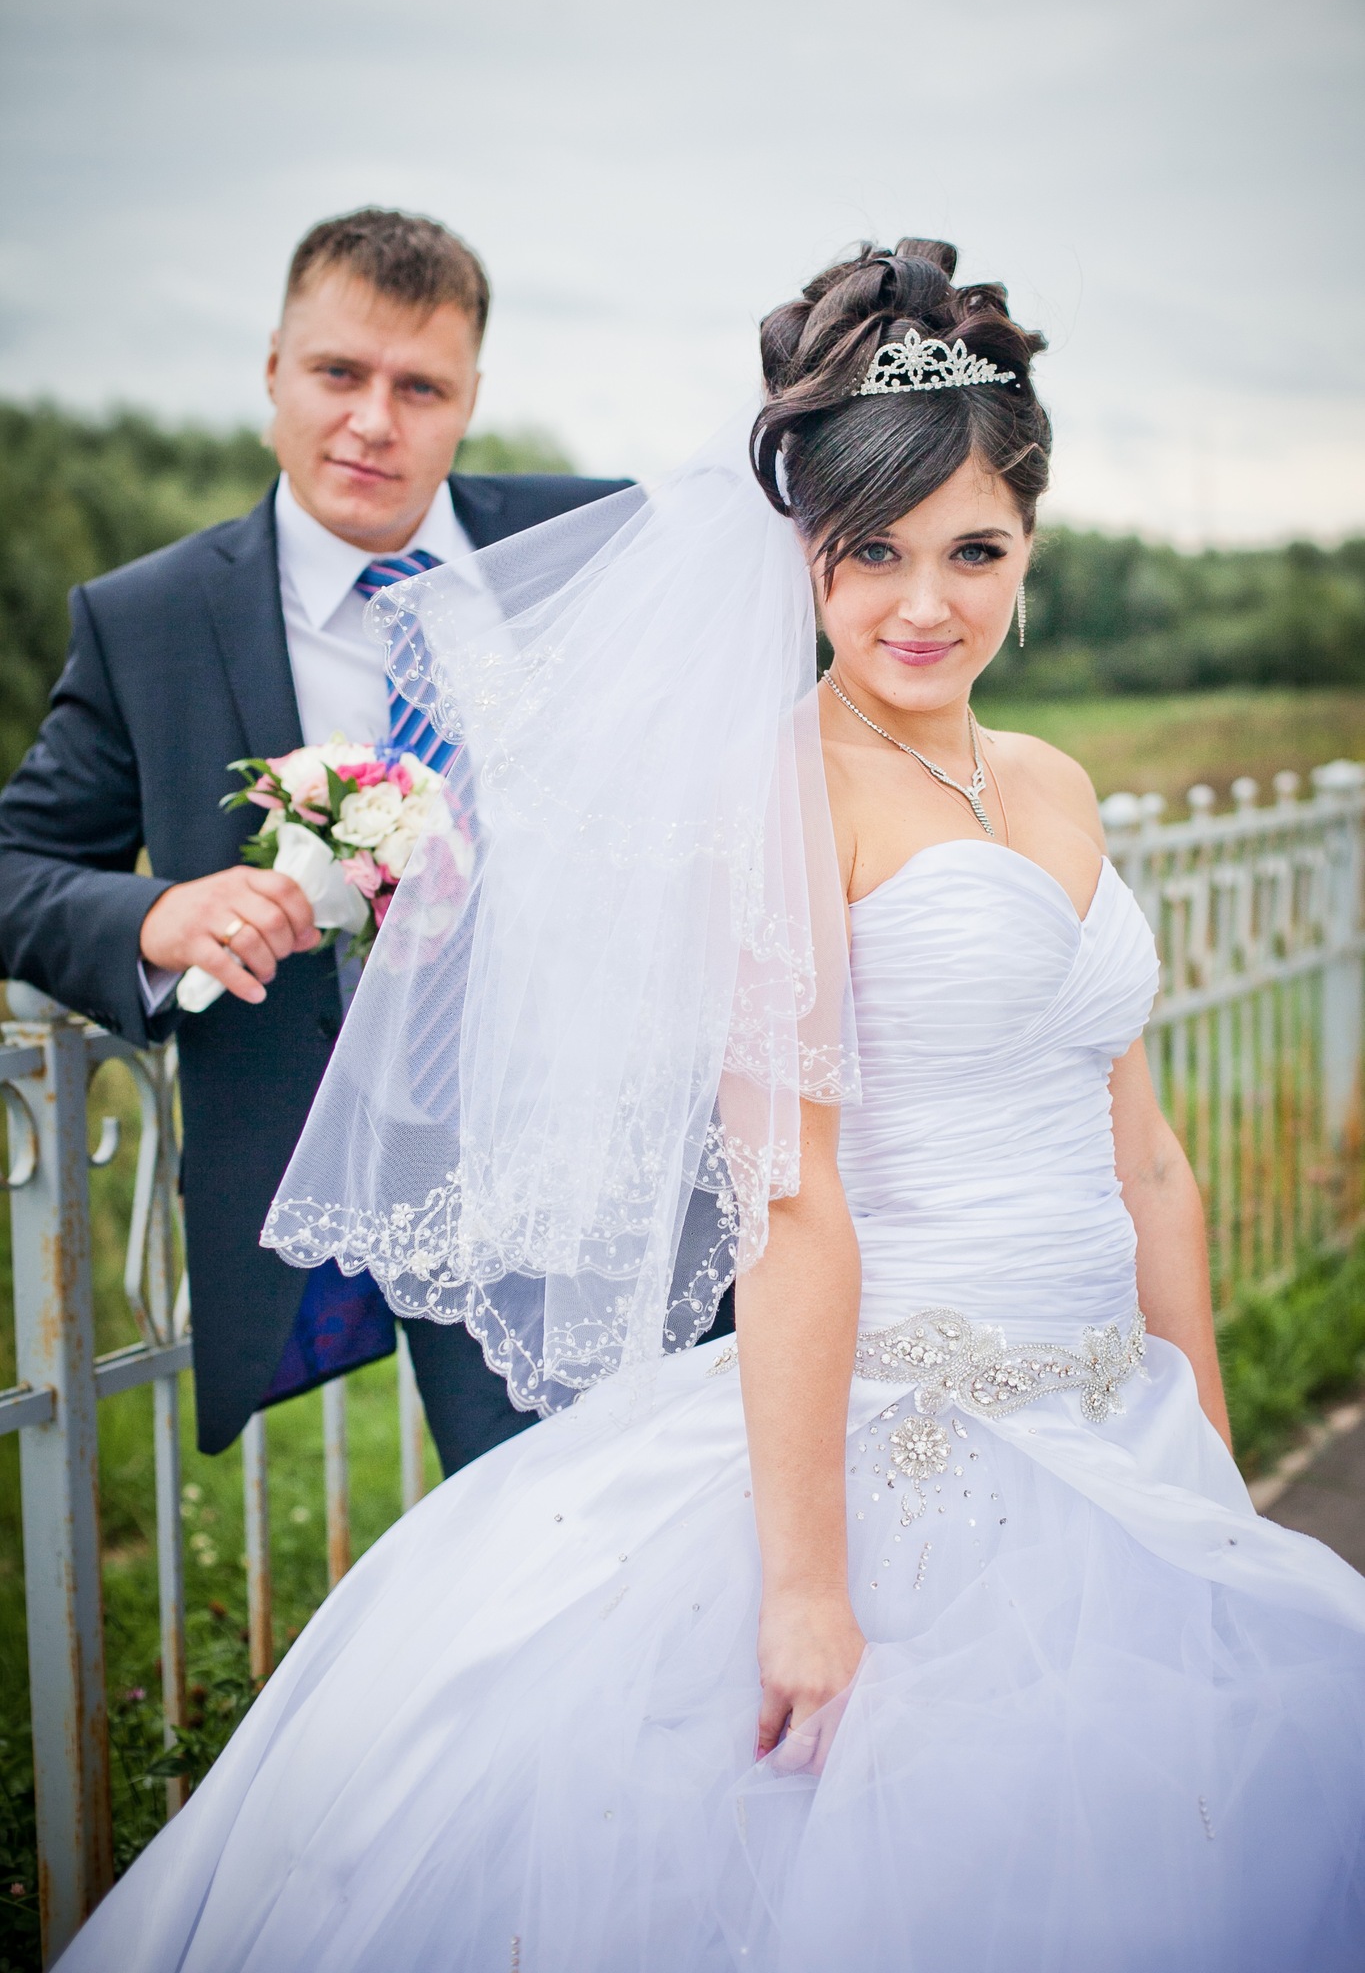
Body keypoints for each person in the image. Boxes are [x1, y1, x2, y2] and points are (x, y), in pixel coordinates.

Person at [56, 241, 1365, 1972]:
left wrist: (1204, 1448)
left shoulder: (1058, 783)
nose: (924, 602)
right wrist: (808, 1585)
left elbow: (1152, 1159)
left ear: (1031, 543)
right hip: (907, 1439)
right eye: (871, 551)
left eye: (973, 549)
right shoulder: (777, 799)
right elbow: (790, 1202)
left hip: (1120, 1426)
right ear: (801, 553)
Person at [0, 208, 634, 1472]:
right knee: (537, 1521)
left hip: (634, 1141)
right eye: (340, 372)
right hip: (404, 1173)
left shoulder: (599, 543)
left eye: (421, 387)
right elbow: (16, 866)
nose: (373, 420)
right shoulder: (150, 620)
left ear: (470, 398)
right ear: (274, 373)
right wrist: (155, 914)